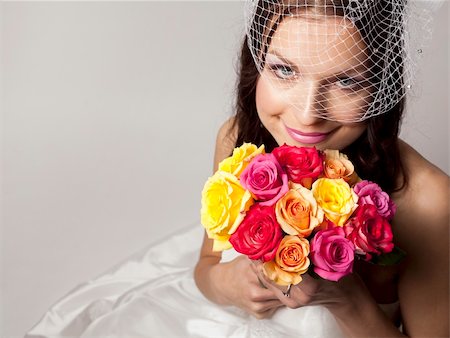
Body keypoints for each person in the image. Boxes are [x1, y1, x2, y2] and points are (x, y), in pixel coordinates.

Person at [26, 0, 448, 337]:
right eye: (284, 70)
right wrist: (229, 283)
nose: (306, 114)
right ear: (257, 60)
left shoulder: (427, 202)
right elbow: (207, 267)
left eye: (346, 82)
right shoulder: (238, 140)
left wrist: (347, 301)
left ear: (384, 82)